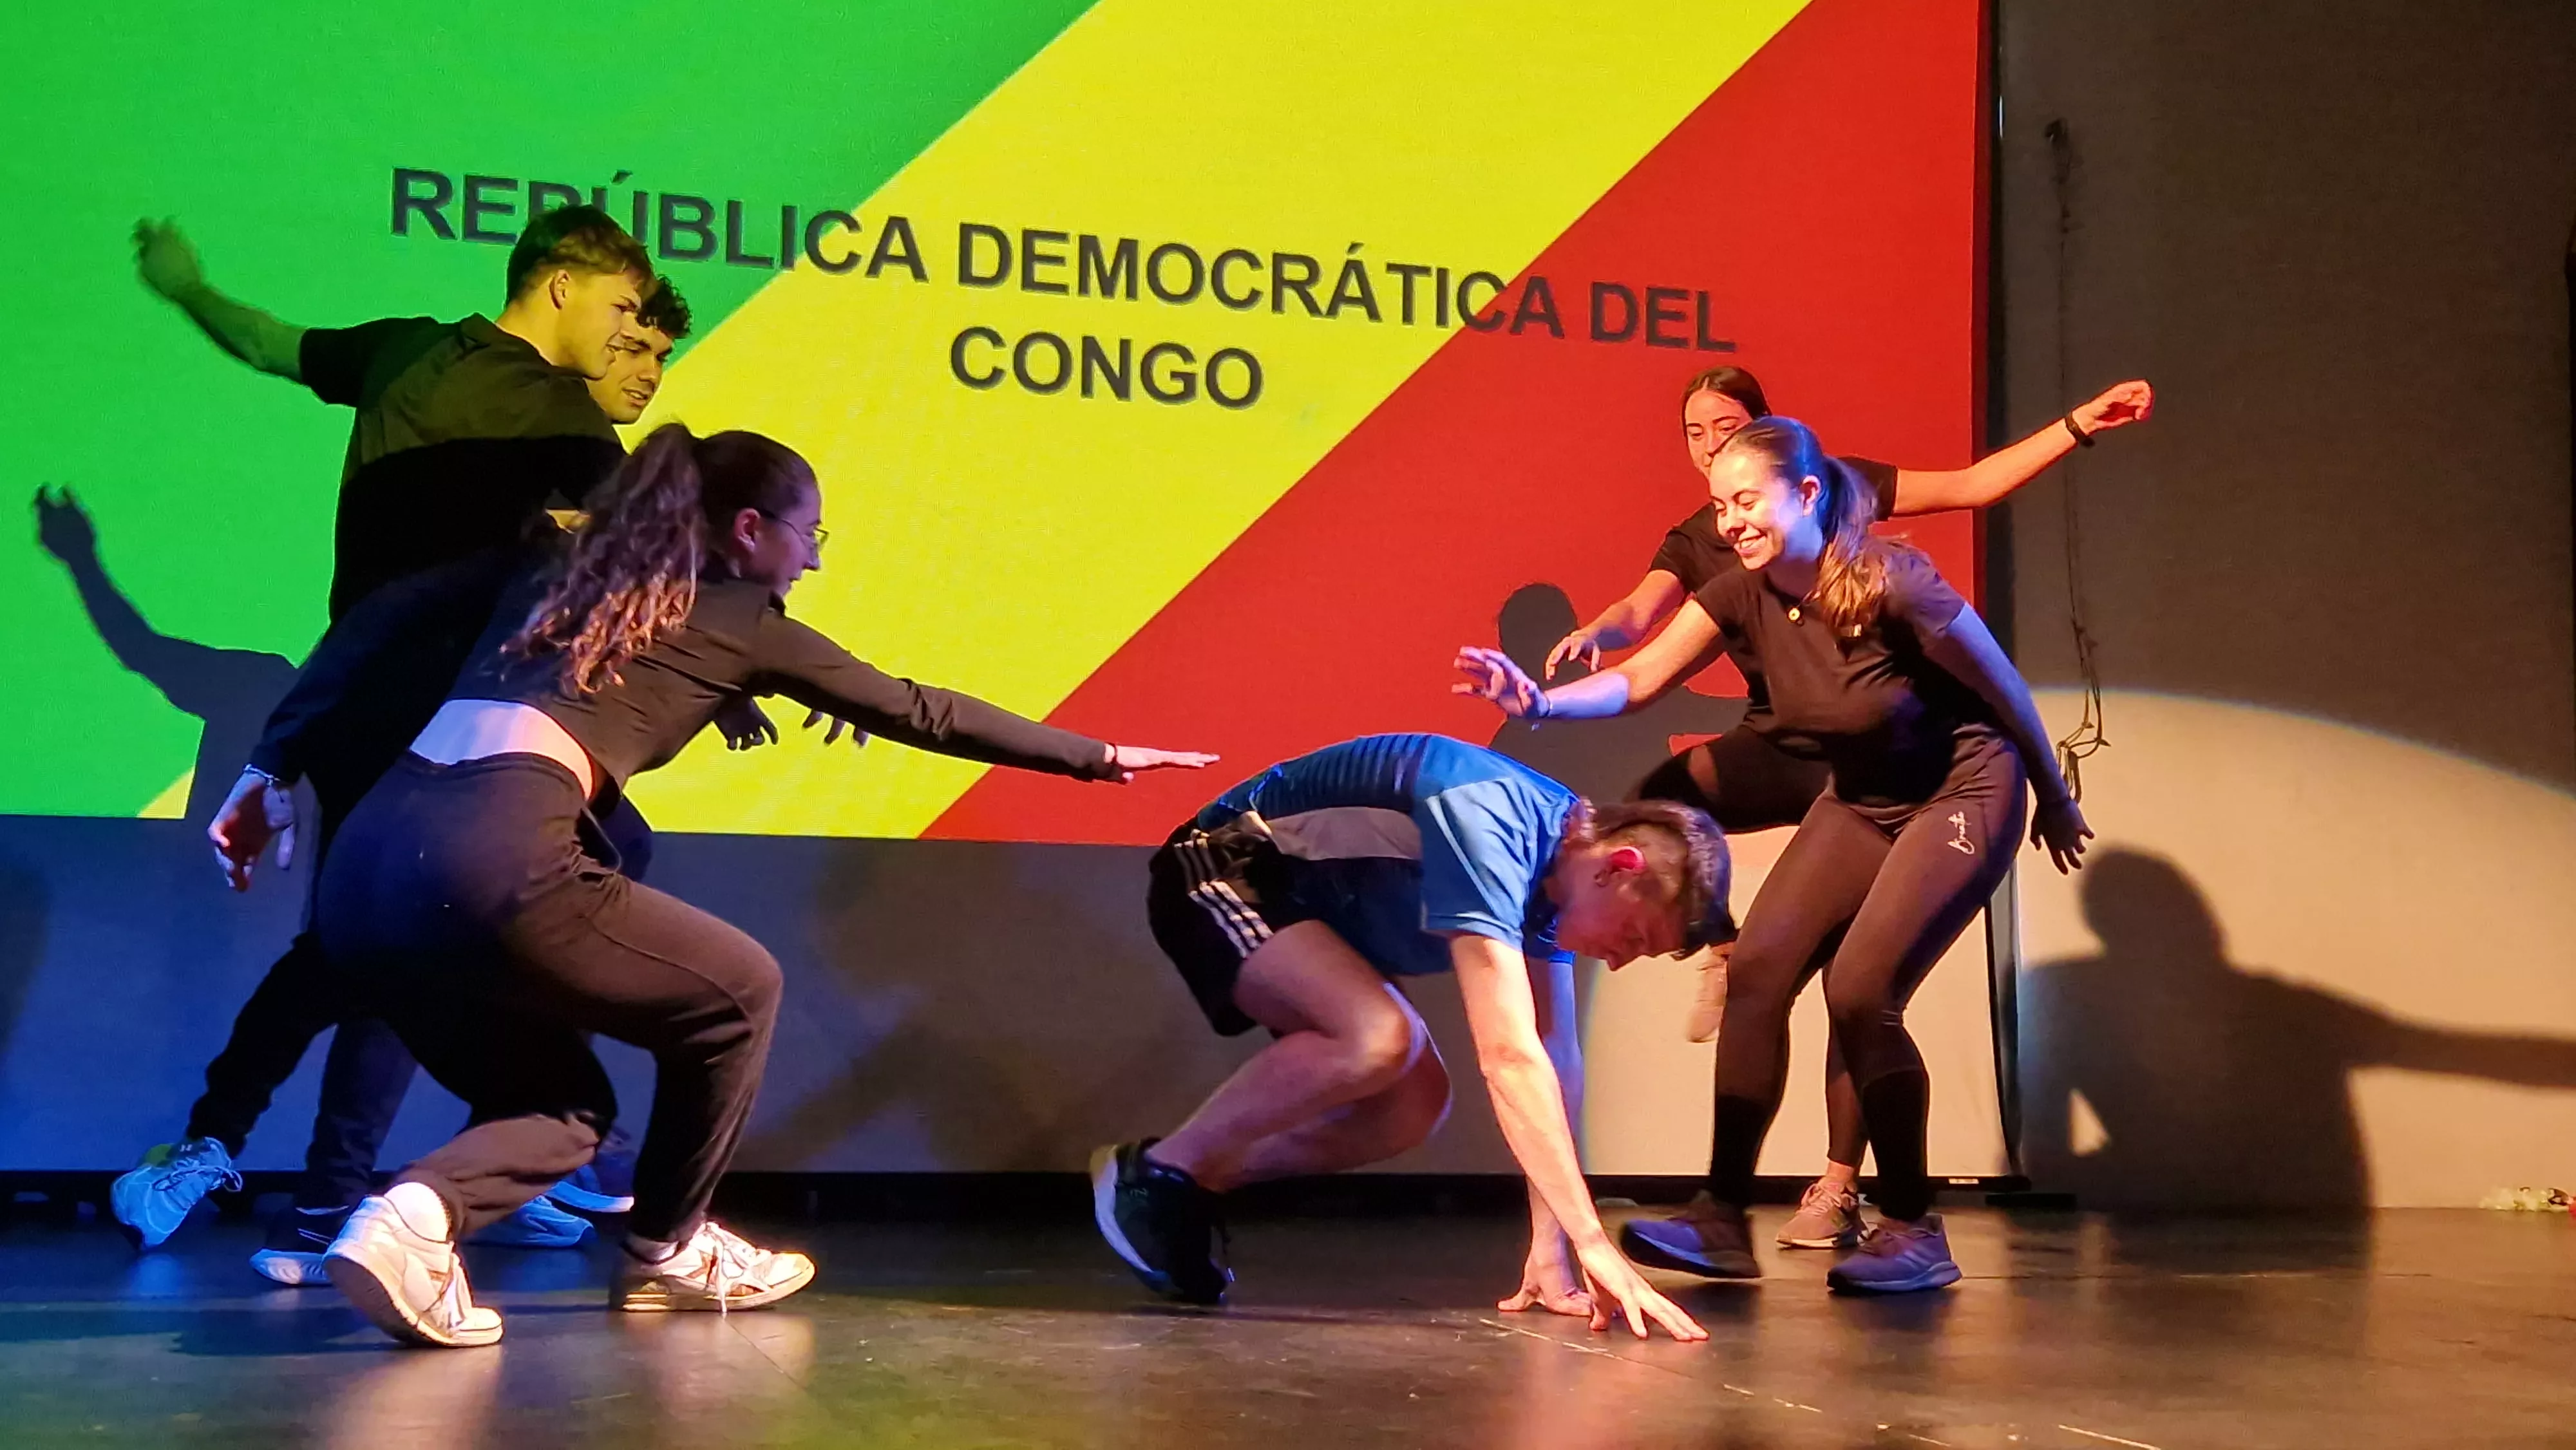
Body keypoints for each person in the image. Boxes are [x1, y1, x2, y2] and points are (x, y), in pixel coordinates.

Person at [211, 423, 1213, 1346]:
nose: (815, 556)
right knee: (739, 994)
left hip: (368, 862)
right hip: (494, 851)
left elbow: (383, 614)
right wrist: (1100, 754)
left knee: (563, 1106)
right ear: (748, 530)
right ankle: (668, 1250)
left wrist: (267, 767)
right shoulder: (740, 618)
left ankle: (410, 1219)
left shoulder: (558, 569)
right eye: (810, 533)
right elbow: (923, 710)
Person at [109, 208, 662, 1275]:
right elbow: (274, 344)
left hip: (479, 720)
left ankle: (493, 1156)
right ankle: (255, 1160)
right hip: (373, 704)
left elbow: (635, 567)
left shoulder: (575, 431)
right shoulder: (428, 358)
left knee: (579, 873)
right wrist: (189, 291)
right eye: (624, 308)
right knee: (360, 949)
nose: (629, 333)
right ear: (561, 285)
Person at [1455, 417, 2090, 1294]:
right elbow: (1639, 679)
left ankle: (1912, 1226)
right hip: (1862, 799)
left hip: (1965, 791)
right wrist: (1541, 702)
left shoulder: (1895, 583)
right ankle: (1720, 1217)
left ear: (1806, 494)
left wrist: (2053, 797)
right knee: (1757, 969)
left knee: (1862, 991)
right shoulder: (1740, 591)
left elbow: (1999, 683)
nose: (1732, 522)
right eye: (1720, 506)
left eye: (1747, 501)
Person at [1092, 732, 1725, 1342]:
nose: (1617, 961)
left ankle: (1195, 1177)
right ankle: (1154, 1174)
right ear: (1619, 867)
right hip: (1220, 865)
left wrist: (1552, 1245)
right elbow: (1506, 1054)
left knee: (1412, 1105)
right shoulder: (1488, 821)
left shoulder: (1558, 872)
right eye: (1635, 938)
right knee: (1378, 1036)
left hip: (1311, 912)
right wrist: (1595, 1241)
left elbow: (1553, 1054)